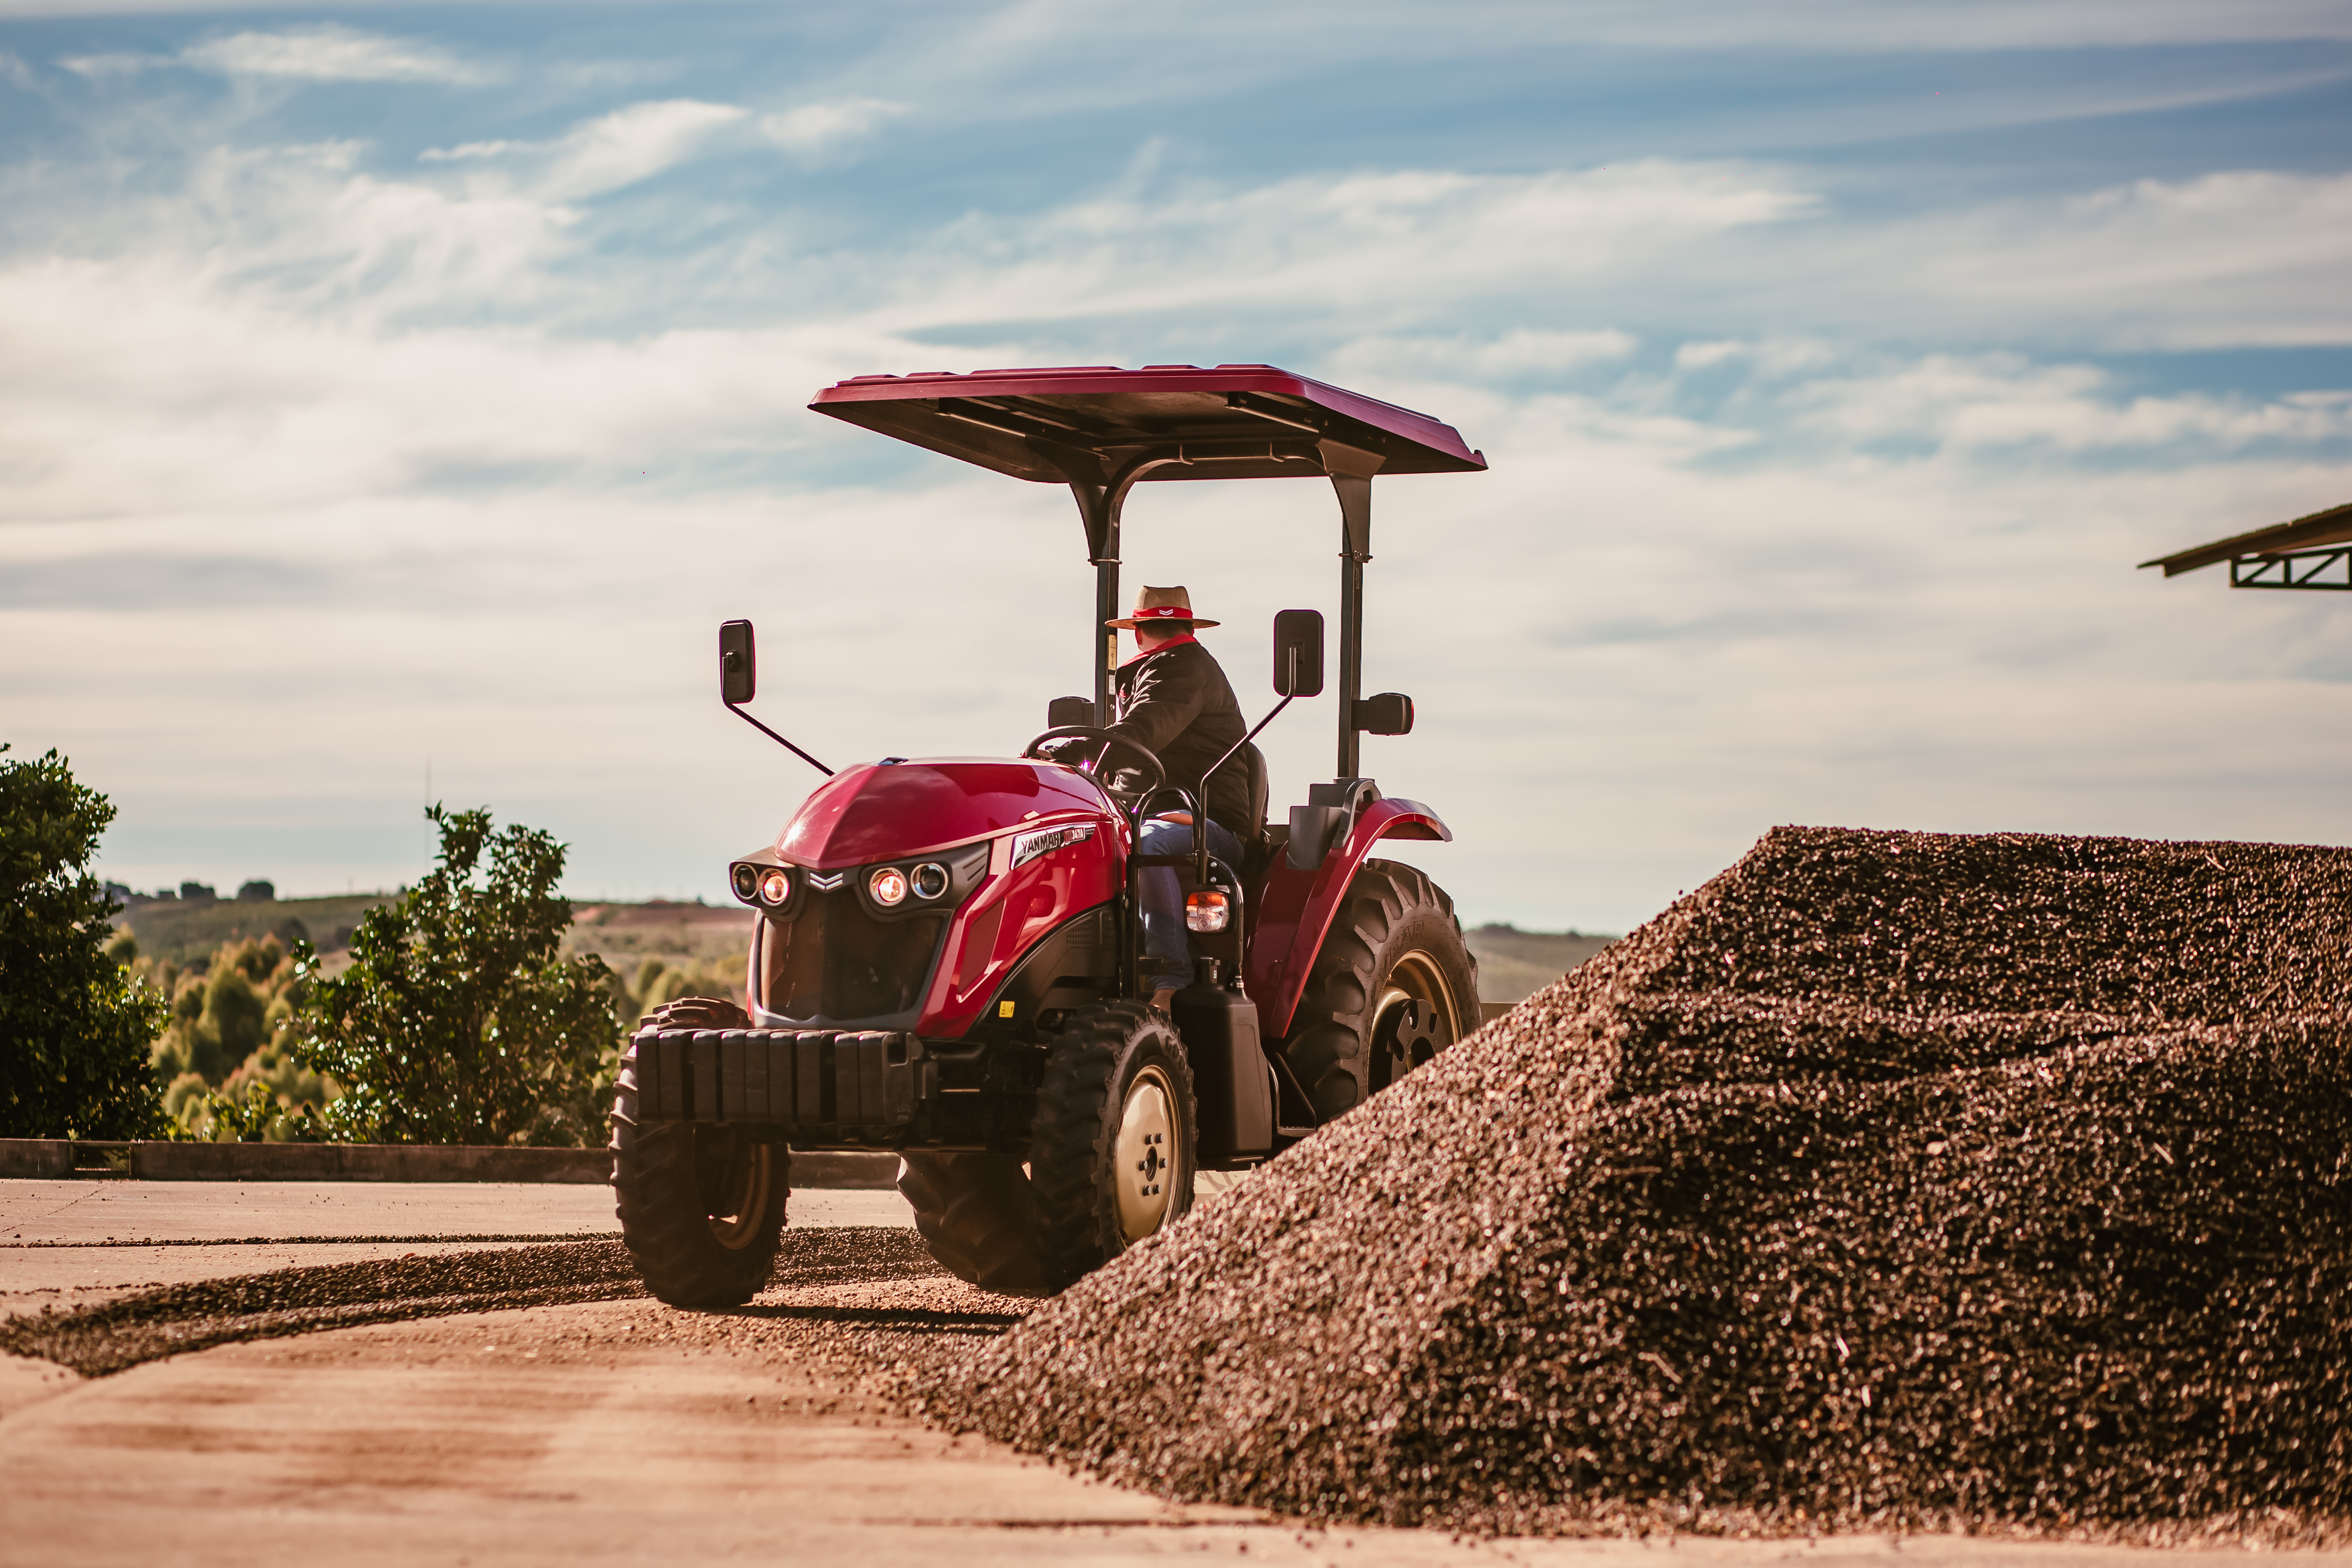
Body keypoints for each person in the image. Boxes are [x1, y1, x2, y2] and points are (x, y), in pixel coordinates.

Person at [1084, 585, 1249, 1012]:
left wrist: (1071, 752)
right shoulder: (1156, 670)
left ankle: (1169, 979)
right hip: (1156, 808)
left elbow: (1143, 729)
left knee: (1148, 843)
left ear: (1138, 632)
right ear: (1190, 625)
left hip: (1209, 820)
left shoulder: (1183, 667)